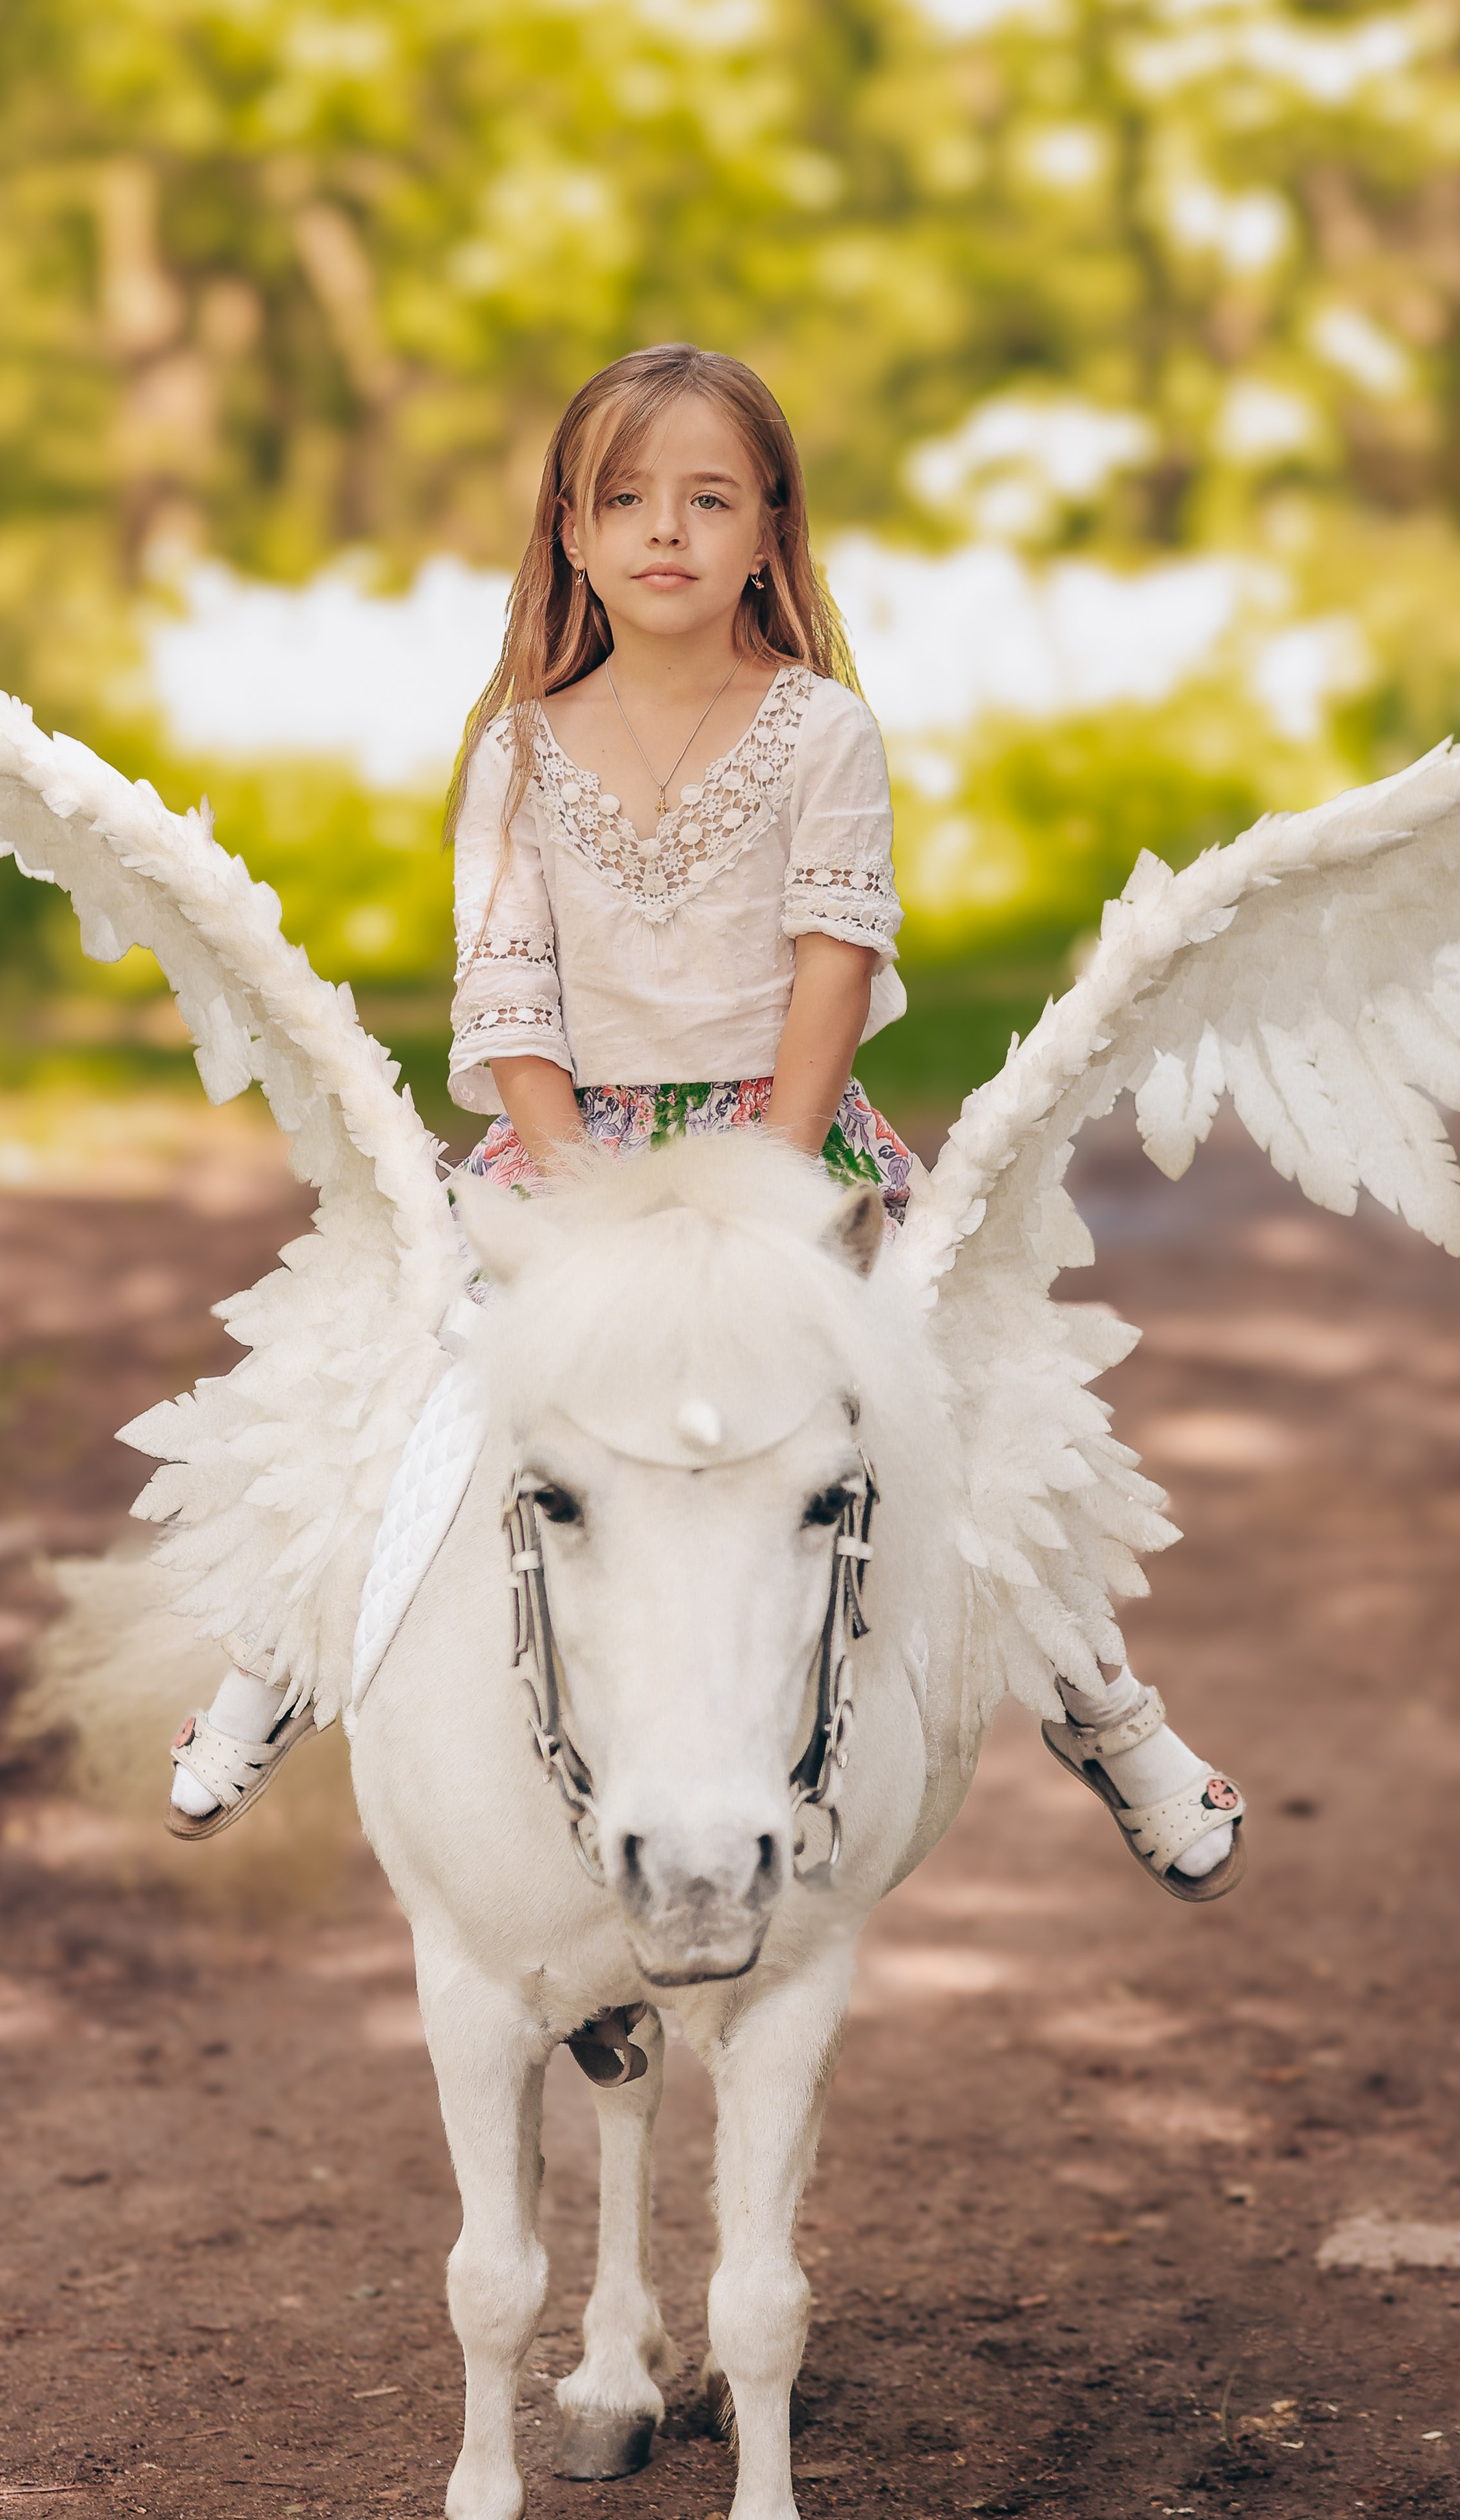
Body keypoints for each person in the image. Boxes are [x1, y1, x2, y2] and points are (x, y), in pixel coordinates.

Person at [164, 342, 1244, 1901]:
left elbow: (833, 958)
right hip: (569, 1150)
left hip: (788, 1142)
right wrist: (581, 1199)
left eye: (708, 499)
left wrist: (776, 1189)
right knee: (403, 1370)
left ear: (769, 531)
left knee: (970, 1398)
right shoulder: (520, 752)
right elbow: (509, 996)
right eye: (624, 499)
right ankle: (281, 1656)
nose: (664, 528)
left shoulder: (821, 732)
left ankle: (1106, 1708)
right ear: (571, 532)